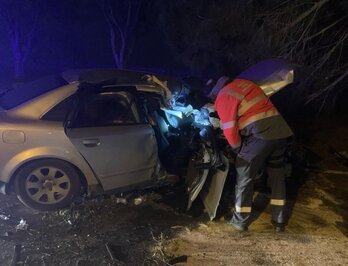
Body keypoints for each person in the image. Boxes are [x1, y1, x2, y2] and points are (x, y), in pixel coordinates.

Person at [208, 76, 293, 232]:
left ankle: (239, 222)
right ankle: (279, 220)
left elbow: (230, 131)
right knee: (277, 175)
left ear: (215, 91)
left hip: (261, 134)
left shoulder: (224, 96)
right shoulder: (245, 84)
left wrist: (237, 150)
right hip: (281, 132)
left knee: (244, 175)